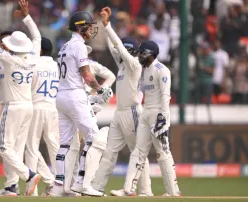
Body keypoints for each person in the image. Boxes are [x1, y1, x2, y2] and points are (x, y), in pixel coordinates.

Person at [109, 14, 180, 197]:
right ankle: (128, 189)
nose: (139, 55)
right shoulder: (144, 70)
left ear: (151, 54)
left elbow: (166, 95)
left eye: (142, 53)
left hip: (158, 114)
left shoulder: (162, 70)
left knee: (163, 153)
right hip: (146, 113)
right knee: (138, 152)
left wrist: (163, 117)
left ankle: (173, 192)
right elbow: (141, 92)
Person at [0, 1, 41, 196]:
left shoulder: (9, 59)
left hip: (12, 107)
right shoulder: (33, 57)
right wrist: (27, 17)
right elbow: (37, 37)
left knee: (3, 147)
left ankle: (28, 175)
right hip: (28, 106)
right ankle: (12, 186)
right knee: (16, 147)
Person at [92, 7, 153, 197]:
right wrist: (106, 27)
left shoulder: (135, 65)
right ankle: (96, 188)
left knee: (138, 152)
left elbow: (118, 46)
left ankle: (144, 191)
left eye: (124, 50)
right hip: (119, 113)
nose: (120, 53)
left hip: (134, 112)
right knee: (109, 151)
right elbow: (113, 47)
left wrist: (108, 26)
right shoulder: (122, 66)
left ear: (132, 51)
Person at [52, 10, 113, 197]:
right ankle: (82, 183)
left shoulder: (64, 47)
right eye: (89, 26)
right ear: (79, 27)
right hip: (74, 95)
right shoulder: (78, 45)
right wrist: (101, 90)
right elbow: (86, 75)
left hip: (61, 97)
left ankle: (58, 187)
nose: (91, 29)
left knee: (64, 144)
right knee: (95, 137)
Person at [62, 46, 116, 196]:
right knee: (85, 143)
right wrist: (99, 93)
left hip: (80, 104)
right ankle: (78, 184)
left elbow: (111, 76)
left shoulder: (90, 65)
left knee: (81, 143)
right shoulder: (74, 66)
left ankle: (75, 184)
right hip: (78, 104)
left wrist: (99, 93)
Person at [24, 37, 59, 196]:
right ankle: (59, 184)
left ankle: (32, 189)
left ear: (39, 50)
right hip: (52, 108)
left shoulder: (33, 64)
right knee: (55, 147)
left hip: (36, 107)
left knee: (31, 148)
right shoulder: (57, 66)